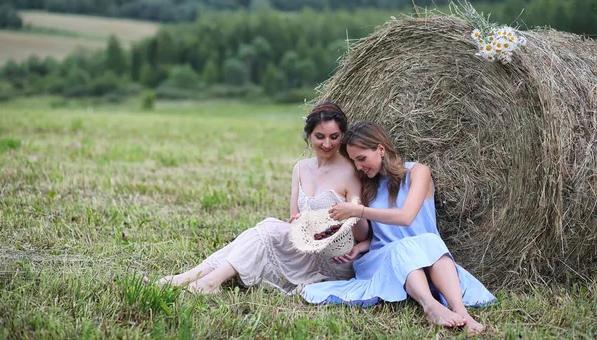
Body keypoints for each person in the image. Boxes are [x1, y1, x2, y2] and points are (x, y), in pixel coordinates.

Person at [144, 102, 369, 294]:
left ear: (342, 137)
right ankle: (187, 278)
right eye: (320, 137)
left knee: (268, 228)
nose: (327, 144)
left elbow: (361, 233)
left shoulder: (350, 170)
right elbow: (294, 218)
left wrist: (352, 212)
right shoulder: (300, 168)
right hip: (304, 245)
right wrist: (300, 222)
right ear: (309, 135)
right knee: (261, 232)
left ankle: (206, 282)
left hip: (333, 258)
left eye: (334, 137)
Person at [300, 122, 495, 335]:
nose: (358, 167)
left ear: (381, 149)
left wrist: (358, 211)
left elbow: (406, 218)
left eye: (362, 159)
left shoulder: (418, 172)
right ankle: (430, 306)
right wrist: (360, 239)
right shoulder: (367, 185)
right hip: (384, 258)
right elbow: (378, 234)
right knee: (402, 248)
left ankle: (461, 311)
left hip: (428, 257)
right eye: (354, 161)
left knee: (430, 241)